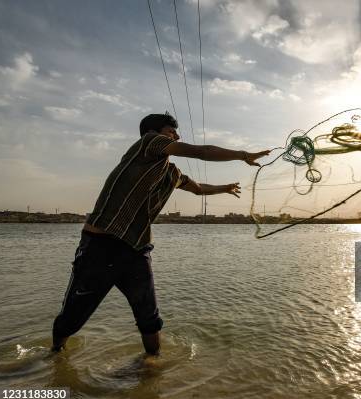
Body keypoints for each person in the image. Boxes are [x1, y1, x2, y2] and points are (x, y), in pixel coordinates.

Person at [51, 112, 270, 355]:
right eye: (171, 131)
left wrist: (224, 189)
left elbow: (197, 189)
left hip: (136, 250)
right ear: (154, 132)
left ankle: (151, 370)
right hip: (101, 246)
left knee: (149, 318)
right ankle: (55, 356)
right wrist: (242, 155)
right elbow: (202, 151)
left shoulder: (171, 173)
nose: (176, 135)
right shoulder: (148, 143)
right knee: (73, 316)